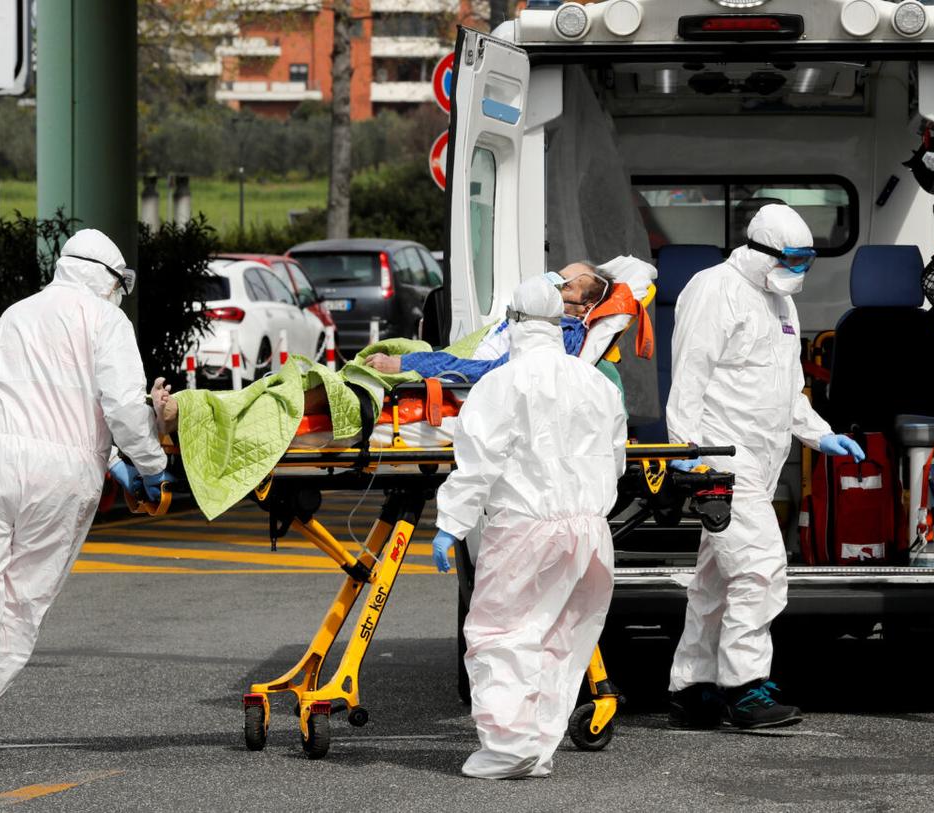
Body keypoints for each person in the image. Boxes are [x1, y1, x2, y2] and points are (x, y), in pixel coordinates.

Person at [0, 229, 174, 767]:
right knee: (22, 600)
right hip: (64, 477)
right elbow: (122, 410)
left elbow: (35, 396)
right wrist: (151, 468)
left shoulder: (17, 314)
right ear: (109, 278)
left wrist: (114, 462)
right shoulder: (108, 321)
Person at [665, 204, 864, 731]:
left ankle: (692, 688)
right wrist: (689, 458)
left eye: (807, 260)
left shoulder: (779, 302)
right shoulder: (714, 289)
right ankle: (746, 687)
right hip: (721, 460)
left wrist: (821, 434)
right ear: (760, 249)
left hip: (761, 460)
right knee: (759, 570)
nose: (800, 269)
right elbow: (688, 378)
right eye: (793, 258)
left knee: (714, 582)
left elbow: (785, 387)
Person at [430, 275, 627, 779]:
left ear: (513, 323)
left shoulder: (501, 383)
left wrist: (450, 525)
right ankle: (536, 747)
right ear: (560, 323)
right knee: (561, 638)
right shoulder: (596, 382)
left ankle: (507, 749)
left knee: (502, 633)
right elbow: (618, 458)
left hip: (527, 529)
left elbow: (476, 465)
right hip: (591, 531)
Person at [361, 261, 610, 380]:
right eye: (556, 277)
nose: (552, 286)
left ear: (586, 307)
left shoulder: (561, 335)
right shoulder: (540, 321)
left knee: (357, 381)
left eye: (565, 286)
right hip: (454, 367)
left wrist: (407, 364)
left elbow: (493, 373)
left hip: (459, 382)